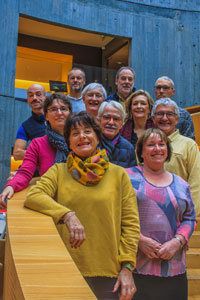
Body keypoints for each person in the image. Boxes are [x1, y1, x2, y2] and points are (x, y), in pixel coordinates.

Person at [24, 111, 140, 300]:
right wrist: (67, 215)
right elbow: (34, 195)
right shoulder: (59, 171)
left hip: (108, 271)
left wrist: (127, 268)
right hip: (67, 268)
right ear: (69, 142)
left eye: (87, 131)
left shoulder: (119, 175)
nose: (82, 136)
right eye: (75, 133)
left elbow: (131, 225)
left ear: (97, 137)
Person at [126, 128, 196, 300]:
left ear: (167, 150)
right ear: (141, 152)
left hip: (174, 269)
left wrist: (177, 242)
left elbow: (189, 218)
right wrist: (139, 239)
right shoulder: (127, 178)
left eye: (161, 144)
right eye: (150, 145)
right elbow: (116, 216)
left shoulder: (181, 184)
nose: (157, 149)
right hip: (135, 268)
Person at [0, 93, 72, 208]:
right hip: (50, 201)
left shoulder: (81, 140)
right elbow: (25, 172)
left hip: (77, 199)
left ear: (70, 114)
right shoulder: (37, 144)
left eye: (63, 109)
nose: (59, 113)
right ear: (46, 115)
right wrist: (11, 186)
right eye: (53, 109)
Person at [151, 98, 200, 216]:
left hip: (180, 215)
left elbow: (196, 183)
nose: (164, 118)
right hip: (151, 214)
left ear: (177, 119)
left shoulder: (188, 145)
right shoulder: (145, 144)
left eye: (170, 114)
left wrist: (190, 216)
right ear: (153, 118)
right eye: (160, 114)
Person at [98, 101, 136, 167]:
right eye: (106, 117)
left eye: (116, 119)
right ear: (99, 120)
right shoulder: (91, 143)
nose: (111, 122)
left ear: (122, 124)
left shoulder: (128, 148)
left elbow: (132, 175)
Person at [13, 84, 46, 160]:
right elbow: (17, 154)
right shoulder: (25, 126)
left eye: (38, 94)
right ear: (27, 99)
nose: (34, 98)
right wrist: (42, 152)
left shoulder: (58, 117)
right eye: (30, 95)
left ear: (45, 97)